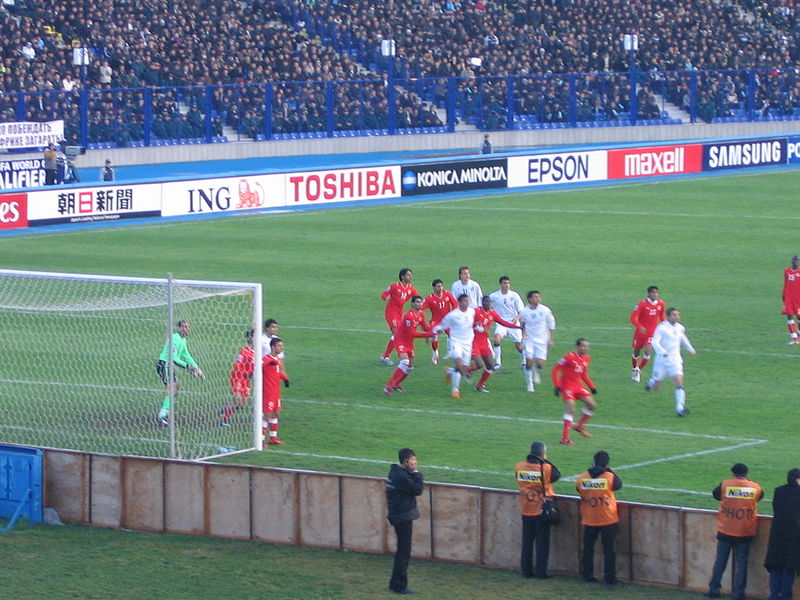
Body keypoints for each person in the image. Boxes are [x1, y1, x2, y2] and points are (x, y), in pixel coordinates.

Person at [707, 463, 764, 600]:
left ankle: (714, 590)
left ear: (733, 473)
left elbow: (716, 495)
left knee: (720, 562)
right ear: (746, 473)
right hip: (745, 530)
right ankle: (738, 594)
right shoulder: (755, 487)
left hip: (726, 529)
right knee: (742, 565)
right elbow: (760, 497)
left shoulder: (726, 484)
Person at [576, 450, 623, 587]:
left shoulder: (582, 478)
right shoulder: (609, 477)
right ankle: (609, 579)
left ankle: (587, 576)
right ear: (606, 464)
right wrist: (608, 469)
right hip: (607, 518)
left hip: (589, 518)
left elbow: (579, 490)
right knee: (609, 551)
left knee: (588, 549)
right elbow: (618, 484)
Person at [515, 441, 560, 580]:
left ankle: (526, 571)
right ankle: (541, 573)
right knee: (542, 545)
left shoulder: (519, 467)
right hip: (541, 510)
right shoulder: (545, 468)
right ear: (542, 454)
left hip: (526, 508)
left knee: (527, 543)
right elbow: (556, 474)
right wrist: (544, 460)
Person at [645, 308, 696, 416]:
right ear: (668, 316)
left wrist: (690, 348)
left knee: (679, 383)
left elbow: (682, 338)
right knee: (656, 387)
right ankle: (651, 382)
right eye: (674, 315)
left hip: (675, 360)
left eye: (678, 314)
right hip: (662, 360)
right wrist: (662, 352)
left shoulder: (680, 328)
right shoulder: (662, 328)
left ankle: (680, 408)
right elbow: (655, 342)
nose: (676, 316)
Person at [386, 447, 424, 595]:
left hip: (400, 515)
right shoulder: (401, 477)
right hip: (402, 517)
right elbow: (418, 489)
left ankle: (395, 583)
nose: (416, 462)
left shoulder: (397, 473)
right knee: (404, 552)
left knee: (402, 550)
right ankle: (399, 586)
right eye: (414, 459)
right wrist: (415, 472)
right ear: (407, 461)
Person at [155, 320, 205, 425]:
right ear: (179, 328)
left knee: (176, 389)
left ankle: (166, 413)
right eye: (184, 327)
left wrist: (197, 368)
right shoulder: (175, 339)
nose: (187, 329)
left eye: (188, 327)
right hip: (164, 365)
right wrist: (188, 367)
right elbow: (172, 358)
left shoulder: (183, 340)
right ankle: (161, 417)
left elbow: (186, 355)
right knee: (172, 388)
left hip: (169, 366)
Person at [384, 296, 433, 396]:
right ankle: (388, 386)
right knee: (405, 362)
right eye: (417, 302)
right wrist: (427, 335)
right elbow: (411, 333)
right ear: (412, 304)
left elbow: (424, 327)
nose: (420, 304)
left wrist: (434, 329)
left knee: (410, 367)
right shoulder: (409, 316)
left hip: (409, 342)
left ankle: (396, 384)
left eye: (421, 302)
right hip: (400, 340)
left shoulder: (421, 314)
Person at [469, 295, 520, 392]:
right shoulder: (475, 311)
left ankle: (479, 386)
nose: (489, 304)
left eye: (490, 302)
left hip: (484, 342)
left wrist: (519, 327)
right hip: (474, 341)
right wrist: (475, 325)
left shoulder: (492, 313)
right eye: (487, 302)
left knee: (490, 366)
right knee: (479, 364)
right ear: (482, 302)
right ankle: (464, 370)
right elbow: (466, 322)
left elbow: (504, 323)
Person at [552, 338, 597, 446]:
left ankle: (579, 426)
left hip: (577, 386)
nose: (586, 348)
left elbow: (583, 374)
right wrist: (557, 385)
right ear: (577, 347)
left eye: (587, 346)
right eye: (584, 346)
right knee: (571, 408)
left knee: (592, 405)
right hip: (567, 387)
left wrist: (592, 387)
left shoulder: (587, 358)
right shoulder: (568, 357)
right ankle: (564, 438)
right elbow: (555, 369)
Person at [764, 468, 800, 600]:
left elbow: (776, 508)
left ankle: (774, 595)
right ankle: (785, 596)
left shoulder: (779, 490)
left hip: (777, 532)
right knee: (789, 567)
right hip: (794, 534)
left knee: (775, 566)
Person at [433, 294, 475, 398]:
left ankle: (450, 371)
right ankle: (455, 390)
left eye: (467, 301)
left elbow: (476, 322)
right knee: (460, 364)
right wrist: (433, 333)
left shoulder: (472, 312)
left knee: (463, 367)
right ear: (459, 303)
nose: (467, 303)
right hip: (456, 342)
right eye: (464, 301)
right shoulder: (452, 315)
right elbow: (442, 326)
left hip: (468, 343)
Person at [518, 290, 556, 392]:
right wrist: (522, 339)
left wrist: (551, 339)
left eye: (538, 296)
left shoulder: (545, 311)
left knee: (540, 364)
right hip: (529, 340)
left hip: (542, 340)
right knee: (529, 361)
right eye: (535, 297)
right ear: (530, 299)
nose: (538, 298)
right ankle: (530, 384)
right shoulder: (525, 311)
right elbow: (523, 325)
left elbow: (551, 325)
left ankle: (536, 372)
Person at [380, 268, 419, 366]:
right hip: (391, 312)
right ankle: (386, 356)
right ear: (402, 276)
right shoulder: (394, 286)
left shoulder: (411, 289)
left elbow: (417, 299)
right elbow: (383, 294)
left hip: (399, 314)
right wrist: (386, 298)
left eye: (411, 275)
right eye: (408, 275)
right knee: (397, 333)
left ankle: (393, 355)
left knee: (399, 335)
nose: (410, 277)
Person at [629, 285, 666, 382]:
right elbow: (633, 318)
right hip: (640, 333)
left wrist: (665, 325)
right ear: (648, 294)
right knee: (636, 352)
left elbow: (661, 315)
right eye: (653, 292)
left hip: (651, 334)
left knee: (647, 351)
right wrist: (640, 327)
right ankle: (634, 368)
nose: (655, 294)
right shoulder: (642, 304)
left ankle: (638, 371)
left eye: (656, 293)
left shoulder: (661, 304)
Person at [489, 276, 524, 370]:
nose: (507, 285)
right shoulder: (494, 296)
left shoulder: (515, 295)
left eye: (508, 283)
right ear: (500, 284)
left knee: (519, 346)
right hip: (501, 323)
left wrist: (516, 319)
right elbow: (487, 306)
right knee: (496, 339)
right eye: (505, 283)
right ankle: (498, 363)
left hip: (513, 323)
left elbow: (521, 311)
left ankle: (524, 362)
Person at [221, 329, 254, 426]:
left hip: (247, 380)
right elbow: (237, 364)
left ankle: (226, 407)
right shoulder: (244, 351)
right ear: (249, 338)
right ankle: (224, 420)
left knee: (242, 404)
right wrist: (244, 373)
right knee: (238, 400)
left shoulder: (257, 351)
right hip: (238, 377)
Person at [422, 278, 457, 365]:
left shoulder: (447, 294)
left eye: (441, 286)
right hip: (436, 321)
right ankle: (435, 353)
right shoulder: (429, 298)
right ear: (434, 288)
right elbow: (421, 309)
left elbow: (455, 304)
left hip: (447, 319)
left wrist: (453, 315)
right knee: (434, 336)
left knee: (453, 336)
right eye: (438, 286)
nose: (440, 288)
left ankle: (455, 352)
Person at [263, 337, 290, 446]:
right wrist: (269, 362)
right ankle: (260, 440)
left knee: (275, 414)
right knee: (266, 416)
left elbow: (277, 372)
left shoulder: (277, 359)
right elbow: (260, 365)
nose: (281, 348)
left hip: (276, 393)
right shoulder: (267, 359)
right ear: (273, 347)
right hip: (268, 393)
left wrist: (285, 379)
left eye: (282, 346)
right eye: (279, 346)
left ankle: (273, 438)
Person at [782, 255, 800, 345]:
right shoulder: (787, 271)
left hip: (798, 299)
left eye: (796, 261)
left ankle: (799, 336)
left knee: (799, 317)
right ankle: (794, 338)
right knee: (789, 316)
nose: (795, 262)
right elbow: (785, 283)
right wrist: (783, 296)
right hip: (789, 298)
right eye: (794, 260)